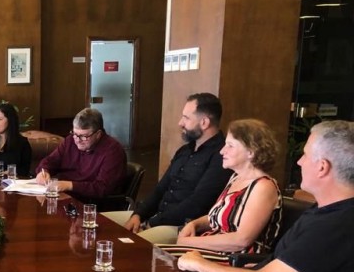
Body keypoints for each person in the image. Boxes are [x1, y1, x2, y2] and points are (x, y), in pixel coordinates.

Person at [177, 120, 354, 272]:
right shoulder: (326, 211)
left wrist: (199, 262)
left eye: (305, 155)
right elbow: (281, 267)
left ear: (322, 167)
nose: (299, 162)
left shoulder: (335, 225)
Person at [104, 93, 232, 244]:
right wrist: (138, 214)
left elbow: (197, 204)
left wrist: (151, 223)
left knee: (127, 245)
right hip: (157, 215)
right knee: (97, 222)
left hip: (183, 226)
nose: (180, 123)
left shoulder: (221, 156)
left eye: (186, 118)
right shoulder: (184, 151)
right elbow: (160, 188)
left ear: (204, 123)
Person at [159, 119, 282, 258]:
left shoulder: (263, 187)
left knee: (157, 256)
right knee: (154, 254)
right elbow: (218, 216)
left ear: (251, 151)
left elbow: (242, 240)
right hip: (214, 252)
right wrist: (195, 224)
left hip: (236, 259)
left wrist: (190, 242)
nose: (222, 151)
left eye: (230, 146)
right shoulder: (236, 178)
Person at [34, 107, 127, 203]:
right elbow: (50, 161)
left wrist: (69, 185)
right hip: (65, 197)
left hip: (92, 203)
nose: (77, 140)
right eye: (75, 133)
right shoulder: (70, 141)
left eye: (84, 136)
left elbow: (102, 188)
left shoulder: (113, 150)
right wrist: (43, 171)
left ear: (98, 134)